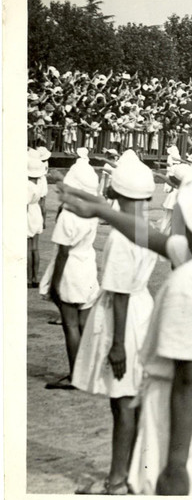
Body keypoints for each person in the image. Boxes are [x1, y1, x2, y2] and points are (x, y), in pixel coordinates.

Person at [61, 168, 192, 495]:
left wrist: (175, 466)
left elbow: (187, 379)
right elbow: (149, 237)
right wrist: (101, 209)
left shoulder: (188, 283)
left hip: (186, 423)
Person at [71, 150, 158, 495]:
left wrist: (118, 343)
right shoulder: (145, 227)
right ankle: (131, 472)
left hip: (125, 317)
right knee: (131, 398)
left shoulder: (122, 237)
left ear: (119, 193)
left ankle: (118, 479)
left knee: (122, 400)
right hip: (142, 310)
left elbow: (119, 293)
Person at [39, 158, 101, 390]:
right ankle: (89, 372)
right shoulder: (92, 210)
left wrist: (54, 285)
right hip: (87, 266)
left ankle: (76, 375)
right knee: (84, 324)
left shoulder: (69, 214)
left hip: (71, 269)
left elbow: (63, 253)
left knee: (70, 325)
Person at [28, 149, 46, 288]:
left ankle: (28, 278)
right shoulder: (39, 184)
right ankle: (35, 277)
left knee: (28, 248)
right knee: (35, 247)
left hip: (29, 212)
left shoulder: (27, 185)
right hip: (37, 211)